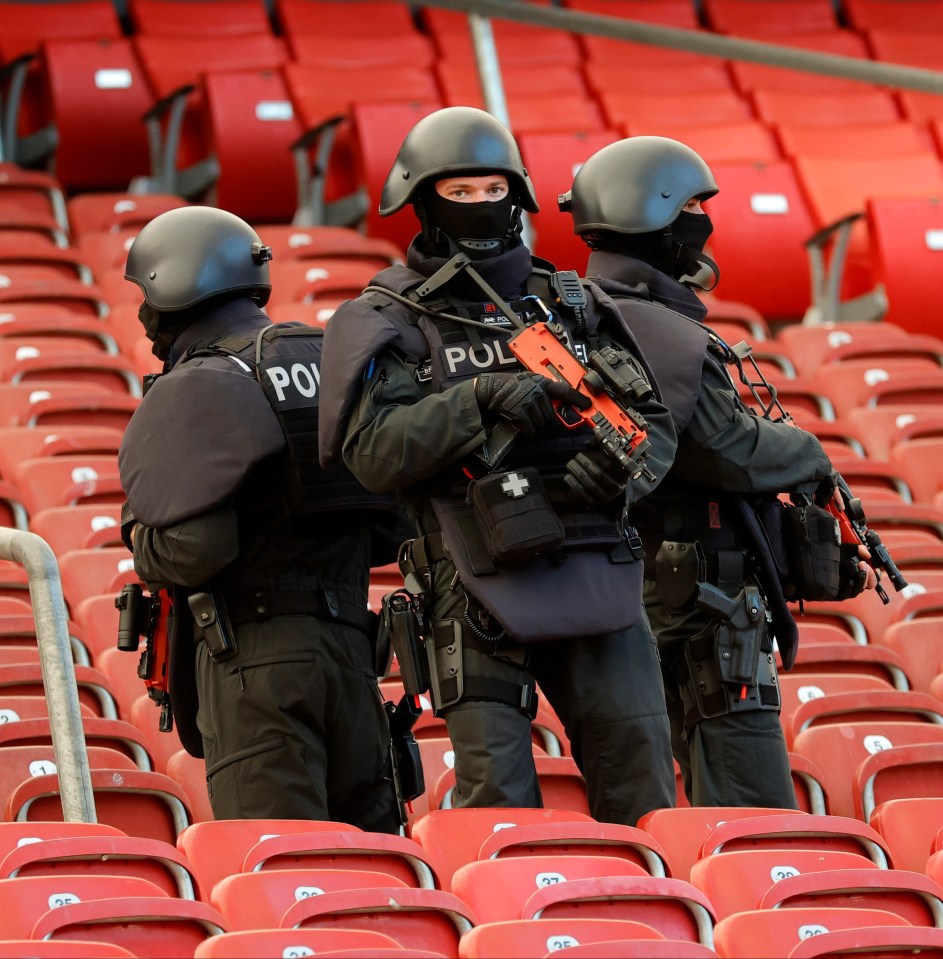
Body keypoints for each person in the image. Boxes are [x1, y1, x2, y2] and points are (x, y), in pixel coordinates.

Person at [318, 106, 679, 826]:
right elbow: (371, 454)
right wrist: (480, 400)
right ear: (421, 201)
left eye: (493, 190)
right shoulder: (387, 318)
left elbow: (655, 429)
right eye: (461, 193)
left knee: (641, 779)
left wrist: (619, 473)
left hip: (593, 560)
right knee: (500, 805)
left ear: (516, 192)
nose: (481, 206)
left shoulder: (571, 301)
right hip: (471, 578)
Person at [560, 135, 878, 808]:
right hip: (698, 600)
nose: (703, 221)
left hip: (650, 586)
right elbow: (721, 447)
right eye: (692, 205)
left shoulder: (598, 313)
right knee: (751, 803)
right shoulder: (650, 325)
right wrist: (808, 451)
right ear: (649, 212)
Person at [117, 205, 401, 831]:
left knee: (285, 868)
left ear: (173, 286)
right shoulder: (328, 360)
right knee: (375, 876)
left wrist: (140, 538)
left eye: (145, 295)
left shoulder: (204, 380)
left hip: (257, 662)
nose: (143, 316)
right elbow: (390, 524)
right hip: (354, 657)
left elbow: (196, 549)